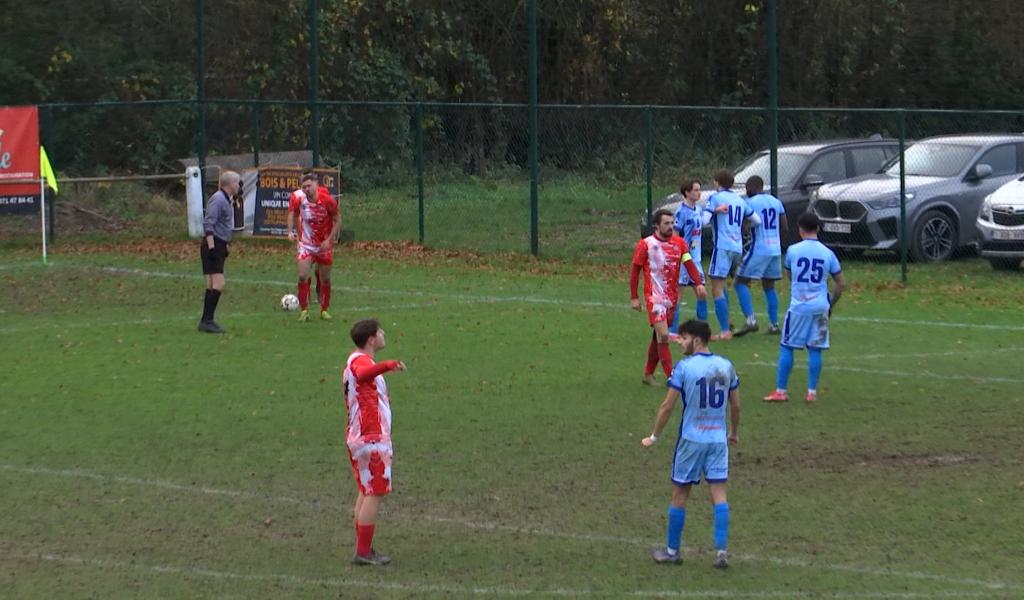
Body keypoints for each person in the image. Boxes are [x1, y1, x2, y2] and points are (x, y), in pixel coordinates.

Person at [641, 319, 740, 568]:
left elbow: (667, 406)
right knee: (719, 494)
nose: (681, 343)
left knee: (680, 494)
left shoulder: (685, 368)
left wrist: (654, 436)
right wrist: (733, 432)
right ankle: (721, 553)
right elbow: (735, 405)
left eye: (684, 338)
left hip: (691, 440)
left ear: (696, 340)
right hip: (718, 440)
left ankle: (673, 551)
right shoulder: (726, 366)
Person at [343, 318, 407, 566]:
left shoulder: (356, 359)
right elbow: (363, 374)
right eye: (380, 332)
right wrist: (388, 365)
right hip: (371, 437)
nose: (383, 334)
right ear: (371, 339)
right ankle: (363, 552)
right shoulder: (360, 361)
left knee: (366, 491)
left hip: (363, 436)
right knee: (375, 491)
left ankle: (363, 547)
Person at [764, 213, 846, 403]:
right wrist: (830, 304)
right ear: (818, 229)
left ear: (800, 230)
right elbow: (841, 283)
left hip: (800, 306)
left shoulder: (793, 250)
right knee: (815, 349)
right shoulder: (828, 253)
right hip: (820, 306)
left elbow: (789, 275)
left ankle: (781, 391)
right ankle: (811, 392)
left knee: (787, 346)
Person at [631, 209, 706, 385]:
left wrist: (698, 283)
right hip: (654, 297)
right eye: (666, 223)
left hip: (671, 298)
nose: (671, 226)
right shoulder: (645, 245)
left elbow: (689, 263)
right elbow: (635, 271)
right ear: (656, 226)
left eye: (672, 223)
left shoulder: (680, 244)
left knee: (658, 336)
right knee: (664, 335)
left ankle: (648, 374)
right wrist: (634, 297)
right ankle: (671, 377)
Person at [705, 170, 760, 341]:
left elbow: (704, 220)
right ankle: (748, 319)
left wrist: (714, 211)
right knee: (737, 283)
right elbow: (756, 220)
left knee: (717, 287)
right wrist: (742, 226)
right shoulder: (739, 200)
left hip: (722, 246)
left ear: (717, 182)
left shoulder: (715, 198)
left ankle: (724, 330)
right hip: (737, 247)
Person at [733, 176, 787, 336]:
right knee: (769, 286)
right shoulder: (776, 201)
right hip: (775, 249)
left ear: (750, 187)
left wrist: (744, 233)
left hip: (759, 248)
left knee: (740, 281)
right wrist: (780, 246)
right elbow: (785, 226)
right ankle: (774, 324)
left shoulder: (750, 202)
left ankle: (751, 321)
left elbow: (744, 225)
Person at [287, 172, 341, 322]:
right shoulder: (298, 197)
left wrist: (329, 239)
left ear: (316, 185)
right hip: (306, 244)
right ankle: (304, 310)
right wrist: (292, 231)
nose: (306, 189)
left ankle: (324, 309)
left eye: (309, 186)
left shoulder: (328, 200)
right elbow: (293, 214)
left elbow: (338, 219)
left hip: (324, 245)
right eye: (304, 187)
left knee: (326, 279)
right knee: (303, 276)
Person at [197, 171, 241, 334]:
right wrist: (213, 247)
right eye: (237, 183)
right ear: (230, 184)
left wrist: (225, 244)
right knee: (219, 284)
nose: (238, 186)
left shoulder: (226, 199)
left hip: (219, 244)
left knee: (211, 284)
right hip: (213, 245)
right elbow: (209, 223)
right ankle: (207, 320)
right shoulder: (218, 199)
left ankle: (206, 320)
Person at [669, 179, 709, 335]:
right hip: (683, 259)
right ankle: (673, 332)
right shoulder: (681, 211)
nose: (699, 193)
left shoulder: (698, 209)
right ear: (687, 192)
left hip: (696, 259)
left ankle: (702, 331)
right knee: (678, 295)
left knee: (702, 293)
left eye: (699, 189)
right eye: (696, 190)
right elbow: (675, 234)